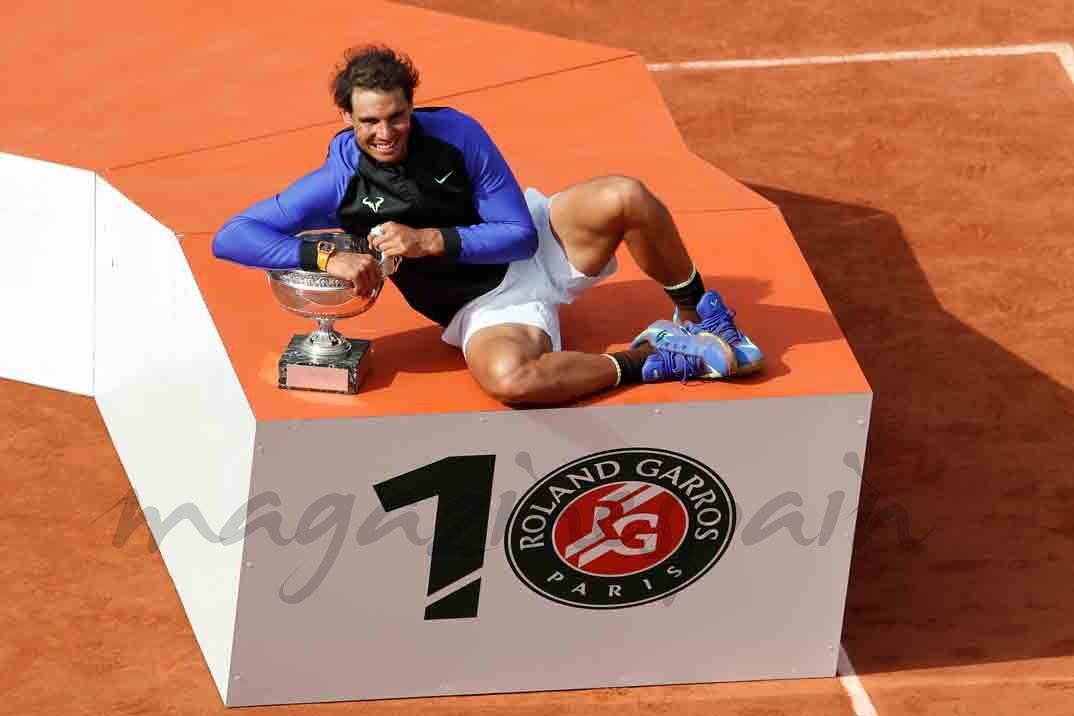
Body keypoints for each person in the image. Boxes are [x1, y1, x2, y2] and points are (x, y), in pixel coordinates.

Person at [213, 45, 763, 405]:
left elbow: (519, 234)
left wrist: (426, 240)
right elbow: (232, 235)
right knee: (510, 381)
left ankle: (699, 319)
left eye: (397, 115)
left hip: (536, 245)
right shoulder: (337, 183)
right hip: (485, 306)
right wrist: (330, 259)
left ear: (412, 106)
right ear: (346, 119)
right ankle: (653, 359)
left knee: (626, 195)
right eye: (370, 121)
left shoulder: (458, 134)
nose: (387, 132)